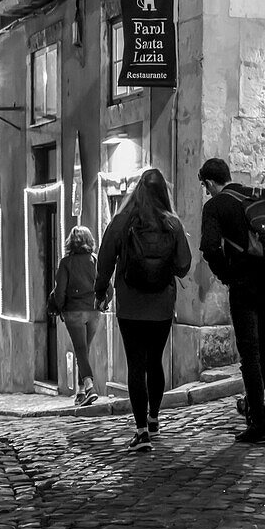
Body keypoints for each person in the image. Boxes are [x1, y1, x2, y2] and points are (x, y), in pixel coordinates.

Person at [199, 157, 265, 445]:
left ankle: (259, 422)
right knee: (263, 344)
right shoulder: (263, 195)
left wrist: (227, 275)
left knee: (249, 352)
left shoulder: (215, 206)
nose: (207, 192)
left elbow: (209, 247)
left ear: (209, 182)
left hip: (244, 283)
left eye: (206, 187)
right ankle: (254, 406)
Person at [95, 168, 192, 453]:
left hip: (130, 305)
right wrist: (166, 268)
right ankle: (153, 419)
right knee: (155, 362)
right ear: (164, 192)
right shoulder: (172, 224)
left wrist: (101, 290)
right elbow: (184, 265)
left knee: (135, 365)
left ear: (138, 191)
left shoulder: (122, 222)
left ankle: (140, 432)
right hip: (162, 306)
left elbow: (104, 260)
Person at [51, 226, 106, 405]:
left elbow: (60, 292)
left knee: (81, 350)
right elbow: (108, 287)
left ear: (70, 242)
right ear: (89, 241)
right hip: (94, 311)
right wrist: (103, 304)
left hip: (74, 311)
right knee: (84, 350)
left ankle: (89, 386)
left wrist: (60, 308)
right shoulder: (96, 261)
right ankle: (81, 392)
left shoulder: (66, 263)